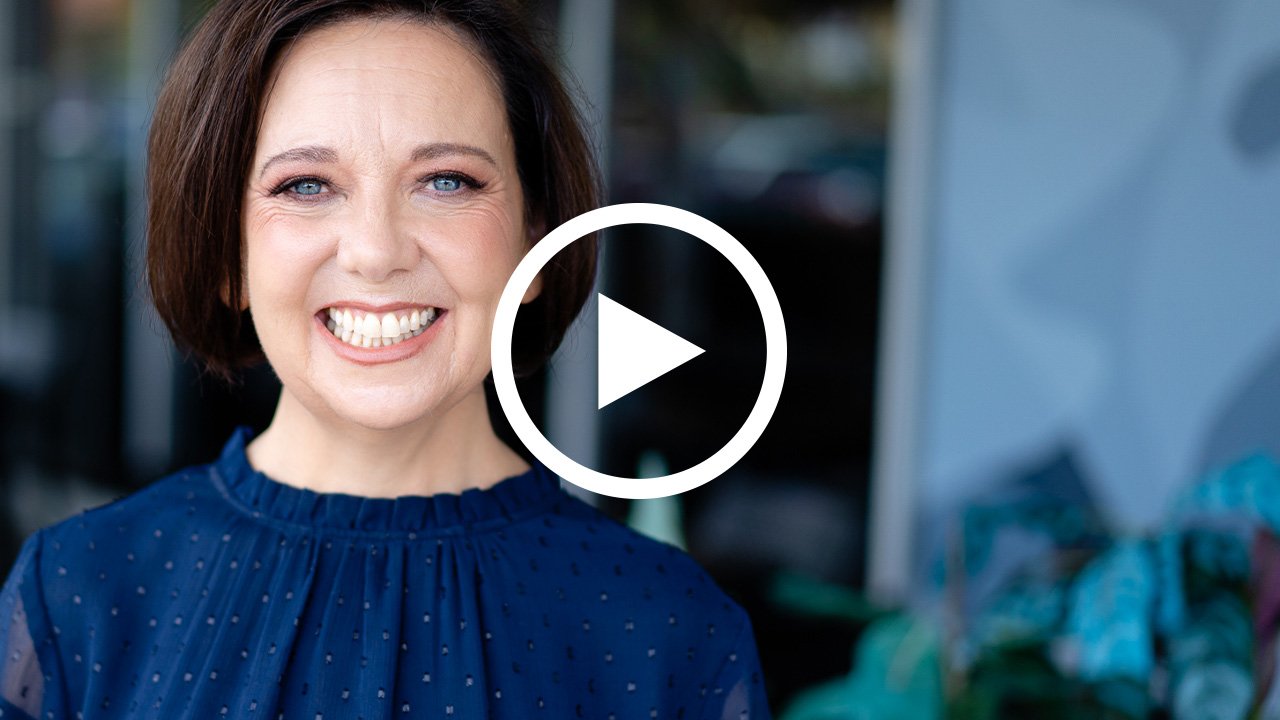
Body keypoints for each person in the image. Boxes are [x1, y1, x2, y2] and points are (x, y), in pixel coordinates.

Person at [0, 1, 770, 718]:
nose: (375, 252)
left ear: (537, 240)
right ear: (228, 254)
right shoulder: (79, 592)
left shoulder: (674, 634)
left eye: (447, 181)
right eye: (306, 185)